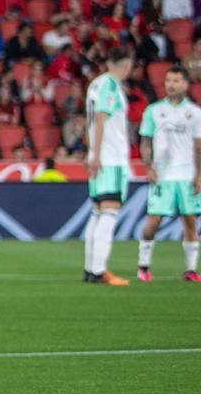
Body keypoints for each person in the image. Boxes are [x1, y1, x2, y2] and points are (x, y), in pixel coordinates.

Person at [136, 64, 201, 283]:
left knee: (190, 220)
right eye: (168, 81)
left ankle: (190, 270)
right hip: (163, 174)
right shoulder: (153, 110)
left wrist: (199, 174)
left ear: (185, 84)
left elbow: (199, 146)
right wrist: (149, 167)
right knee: (154, 221)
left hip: (187, 174)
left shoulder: (194, 112)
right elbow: (145, 141)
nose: (171, 85)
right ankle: (143, 265)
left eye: (176, 81)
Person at [82, 49, 135, 286]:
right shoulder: (112, 85)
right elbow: (101, 117)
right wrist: (97, 154)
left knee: (97, 212)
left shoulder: (95, 84)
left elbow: (90, 121)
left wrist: (91, 151)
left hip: (99, 156)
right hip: (110, 158)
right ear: (125, 67)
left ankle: (90, 268)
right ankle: (99, 270)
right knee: (109, 213)